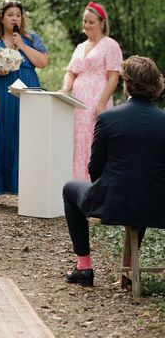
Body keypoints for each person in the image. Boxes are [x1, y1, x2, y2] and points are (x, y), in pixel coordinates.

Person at [62, 56, 165, 287]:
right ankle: (129, 269)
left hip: (113, 201)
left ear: (126, 84)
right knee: (146, 187)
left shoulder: (108, 118)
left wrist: (109, 190)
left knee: (70, 189)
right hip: (156, 205)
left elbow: (94, 167)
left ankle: (84, 267)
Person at [0, 0, 49, 205]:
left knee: (24, 136)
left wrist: (22, 46)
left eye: (18, 14)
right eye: (10, 14)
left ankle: (26, 187)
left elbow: (42, 62)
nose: (15, 18)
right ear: (1, 17)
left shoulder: (31, 39)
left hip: (26, 94)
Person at [59, 2, 122, 180]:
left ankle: (95, 185)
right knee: (78, 142)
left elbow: (113, 76)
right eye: (85, 21)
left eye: (91, 22)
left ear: (102, 23)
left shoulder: (110, 45)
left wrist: (101, 103)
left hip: (97, 101)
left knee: (94, 142)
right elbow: (70, 72)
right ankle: (77, 184)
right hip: (77, 103)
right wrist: (65, 89)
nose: (86, 25)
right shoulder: (80, 47)